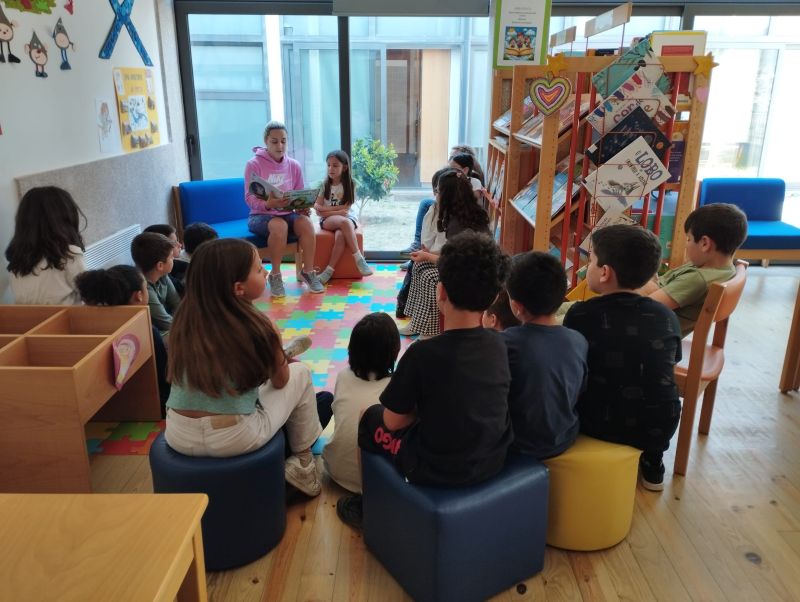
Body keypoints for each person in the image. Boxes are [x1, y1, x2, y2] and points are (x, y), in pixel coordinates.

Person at [337, 232, 512, 528]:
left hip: (436, 468)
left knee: (368, 418)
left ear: (440, 291)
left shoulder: (422, 353)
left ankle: (367, 505)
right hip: (494, 458)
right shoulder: (501, 344)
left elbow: (392, 422)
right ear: (494, 297)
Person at [164, 238, 330, 496]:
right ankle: (304, 464)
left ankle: (279, 355)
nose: (266, 271)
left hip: (178, 434)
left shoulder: (182, 323)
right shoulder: (259, 326)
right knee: (301, 373)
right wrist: (278, 356)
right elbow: (281, 382)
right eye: (259, 268)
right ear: (238, 288)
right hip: (234, 436)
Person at [564, 225, 682, 491]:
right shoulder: (665, 315)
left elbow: (572, 367)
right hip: (659, 425)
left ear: (605, 272)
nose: (588, 267)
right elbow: (669, 365)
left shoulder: (580, 314)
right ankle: (653, 462)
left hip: (598, 422)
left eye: (591, 260)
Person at [503, 252, 588, 458]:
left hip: (518, 444)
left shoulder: (505, 342)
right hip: (564, 438)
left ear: (517, 307)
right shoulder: (578, 340)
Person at [400, 169, 490, 339]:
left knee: (429, 277)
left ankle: (430, 332)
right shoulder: (463, 213)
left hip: (472, 275)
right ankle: (418, 321)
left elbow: (453, 262)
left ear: (447, 195)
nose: (436, 195)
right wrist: (427, 255)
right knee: (419, 266)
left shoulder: (457, 223)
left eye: (438, 191)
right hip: (468, 266)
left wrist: (427, 256)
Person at [639, 203, 748, 337]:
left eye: (689, 239)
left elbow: (643, 308)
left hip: (645, 336)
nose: (686, 244)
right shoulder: (725, 269)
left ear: (705, 243)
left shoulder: (698, 279)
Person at [75, 265, 170, 415]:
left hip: (98, 410)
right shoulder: (146, 330)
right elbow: (163, 378)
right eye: (146, 287)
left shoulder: (87, 324)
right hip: (149, 408)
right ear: (139, 295)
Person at [322, 312, 400, 493]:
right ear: (394, 352)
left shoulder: (343, 376)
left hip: (335, 469)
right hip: (376, 482)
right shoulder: (397, 387)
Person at [244, 120, 324, 297]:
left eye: (283, 141)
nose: (280, 146)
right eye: (274, 141)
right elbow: (249, 198)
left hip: (288, 214)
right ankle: (275, 275)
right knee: (280, 225)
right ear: (266, 141)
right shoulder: (253, 164)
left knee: (306, 223)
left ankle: (308, 271)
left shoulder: (294, 165)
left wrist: (302, 208)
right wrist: (269, 204)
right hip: (260, 216)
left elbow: (299, 194)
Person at [5, 186, 86, 305]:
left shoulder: (17, 258)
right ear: (65, 219)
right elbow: (89, 295)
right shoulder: (69, 253)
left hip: (26, 316)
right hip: (66, 315)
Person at [401, 144, 485, 255]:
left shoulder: (469, 182)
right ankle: (418, 245)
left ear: (465, 169)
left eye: (453, 158)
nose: (450, 161)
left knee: (429, 207)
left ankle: (419, 249)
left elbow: (449, 256)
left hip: (453, 258)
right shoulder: (453, 179)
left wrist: (427, 256)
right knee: (428, 206)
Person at [314, 150, 372, 284]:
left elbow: (346, 209)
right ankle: (359, 258)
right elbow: (317, 208)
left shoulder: (351, 184)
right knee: (344, 222)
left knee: (341, 234)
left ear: (344, 167)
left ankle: (328, 271)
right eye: (328, 165)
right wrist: (337, 211)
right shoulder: (324, 185)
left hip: (347, 218)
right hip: (328, 220)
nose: (331, 168)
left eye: (335, 165)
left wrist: (326, 210)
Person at [130, 232, 180, 336]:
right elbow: (165, 322)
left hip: (169, 324)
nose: (173, 259)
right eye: (171, 257)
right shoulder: (144, 288)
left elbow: (177, 304)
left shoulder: (163, 275)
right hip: (154, 333)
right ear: (160, 265)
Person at [143, 223, 186, 296]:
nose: (180, 245)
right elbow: (180, 289)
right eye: (174, 242)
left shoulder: (170, 263)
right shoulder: (160, 273)